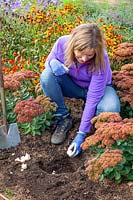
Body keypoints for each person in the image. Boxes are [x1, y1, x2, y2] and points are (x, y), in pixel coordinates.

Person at [40, 23, 120, 157]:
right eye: (80, 54)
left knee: (111, 108)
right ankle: (63, 118)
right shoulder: (62, 43)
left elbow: (93, 97)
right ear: (72, 46)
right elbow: (48, 63)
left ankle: (98, 132)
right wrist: (51, 63)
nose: (84, 59)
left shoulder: (101, 58)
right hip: (73, 86)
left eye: (89, 55)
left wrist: (81, 134)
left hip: (97, 90)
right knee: (47, 76)